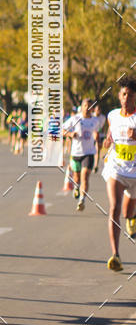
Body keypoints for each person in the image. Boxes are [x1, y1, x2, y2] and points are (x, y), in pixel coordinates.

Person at [101, 78, 136, 271]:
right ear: (119, 95)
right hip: (116, 168)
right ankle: (116, 255)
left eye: (130, 95)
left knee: (126, 212)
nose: (126, 98)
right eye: (123, 94)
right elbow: (110, 133)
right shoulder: (112, 115)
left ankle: (132, 217)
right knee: (114, 208)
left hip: (135, 173)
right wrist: (107, 140)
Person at [62, 98, 102, 211]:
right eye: (85, 106)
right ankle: (76, 187)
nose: (87, 108)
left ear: (92, 108)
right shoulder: (75, 119)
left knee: (85, 177)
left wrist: (97, 138)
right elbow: (62, 130)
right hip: (76, 153)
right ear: (82, 107)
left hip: (89, 153)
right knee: (77, 177)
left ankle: (82, 200)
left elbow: (96, 132)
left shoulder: (95, 121)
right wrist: (70, 134)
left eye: (90, 106)